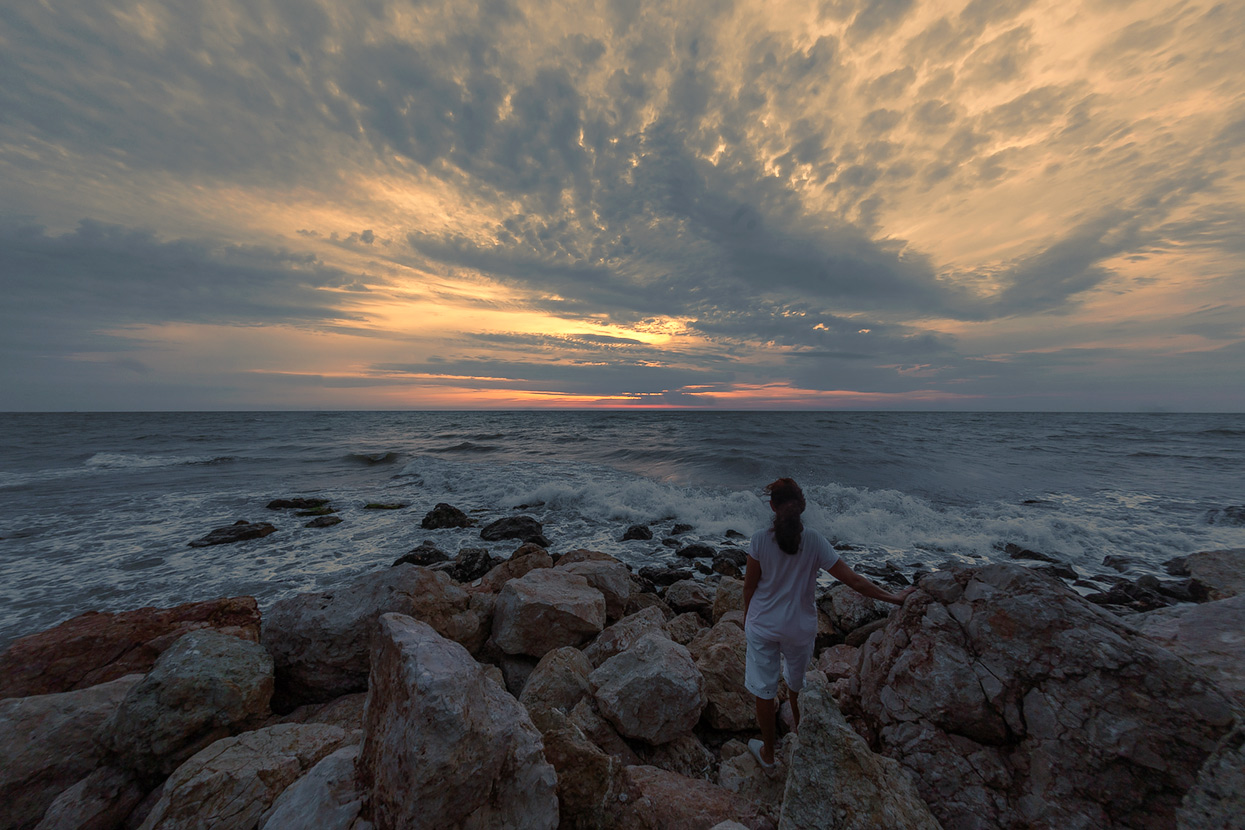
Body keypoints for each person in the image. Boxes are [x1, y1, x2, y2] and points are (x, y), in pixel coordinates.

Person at [743, 477, 913, 769]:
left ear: (771, 506)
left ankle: (769, 756)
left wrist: (748, 617)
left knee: (764, 690)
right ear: (802, 508)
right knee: (796, 687)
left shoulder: (759, 540)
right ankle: (804, 750)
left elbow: (749, 587)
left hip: (763, 626)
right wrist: (895, 598)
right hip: (799, 629)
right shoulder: (815, 541)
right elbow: (853, 581)